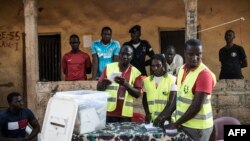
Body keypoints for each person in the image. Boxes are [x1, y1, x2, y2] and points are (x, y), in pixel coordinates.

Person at [157, 39, 216, 141]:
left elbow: (196, 107)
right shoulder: (181, 70)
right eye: (191, 54)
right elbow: (178, 98)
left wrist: (175, 124)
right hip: (185, 124)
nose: (195, 58)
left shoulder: (204, 74)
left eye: (199, 54)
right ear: (184, 53)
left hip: (198, 128)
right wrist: (167, 115)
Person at [97, 45, 142, 122]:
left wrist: (125, 84)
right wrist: (104, 83)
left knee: (124, 134)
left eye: (128, 54)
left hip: (125, 114)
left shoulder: (136, 72)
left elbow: (137, 94)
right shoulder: (109, 67)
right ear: (119, 54)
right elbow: (99, 88)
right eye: (123, 54)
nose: (125, 56)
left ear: (132, 56)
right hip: (109, 112)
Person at [142, 54, 177, 123]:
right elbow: (145, 101)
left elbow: (172, 103)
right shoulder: (146, 81)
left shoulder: (172, 80)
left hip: (167, 120)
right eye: (153, 66)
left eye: (158, 65)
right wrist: (148, 114)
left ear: (163, 65)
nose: (155, 68)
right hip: (152, 121)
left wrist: (162, 116)